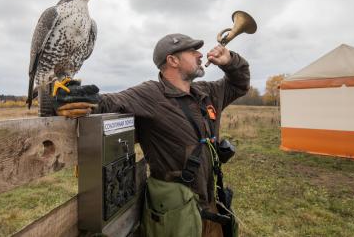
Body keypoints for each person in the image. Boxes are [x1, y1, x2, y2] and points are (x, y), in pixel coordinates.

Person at [57, 33, 250, 236]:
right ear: (172, 60)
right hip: (176, 211)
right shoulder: (150, 94)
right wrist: (66, 98)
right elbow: (105, 103)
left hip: (211, 205)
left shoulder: (207, 92)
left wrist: (230, 61)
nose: (200, 55)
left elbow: (239, 84)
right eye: (192, 51)